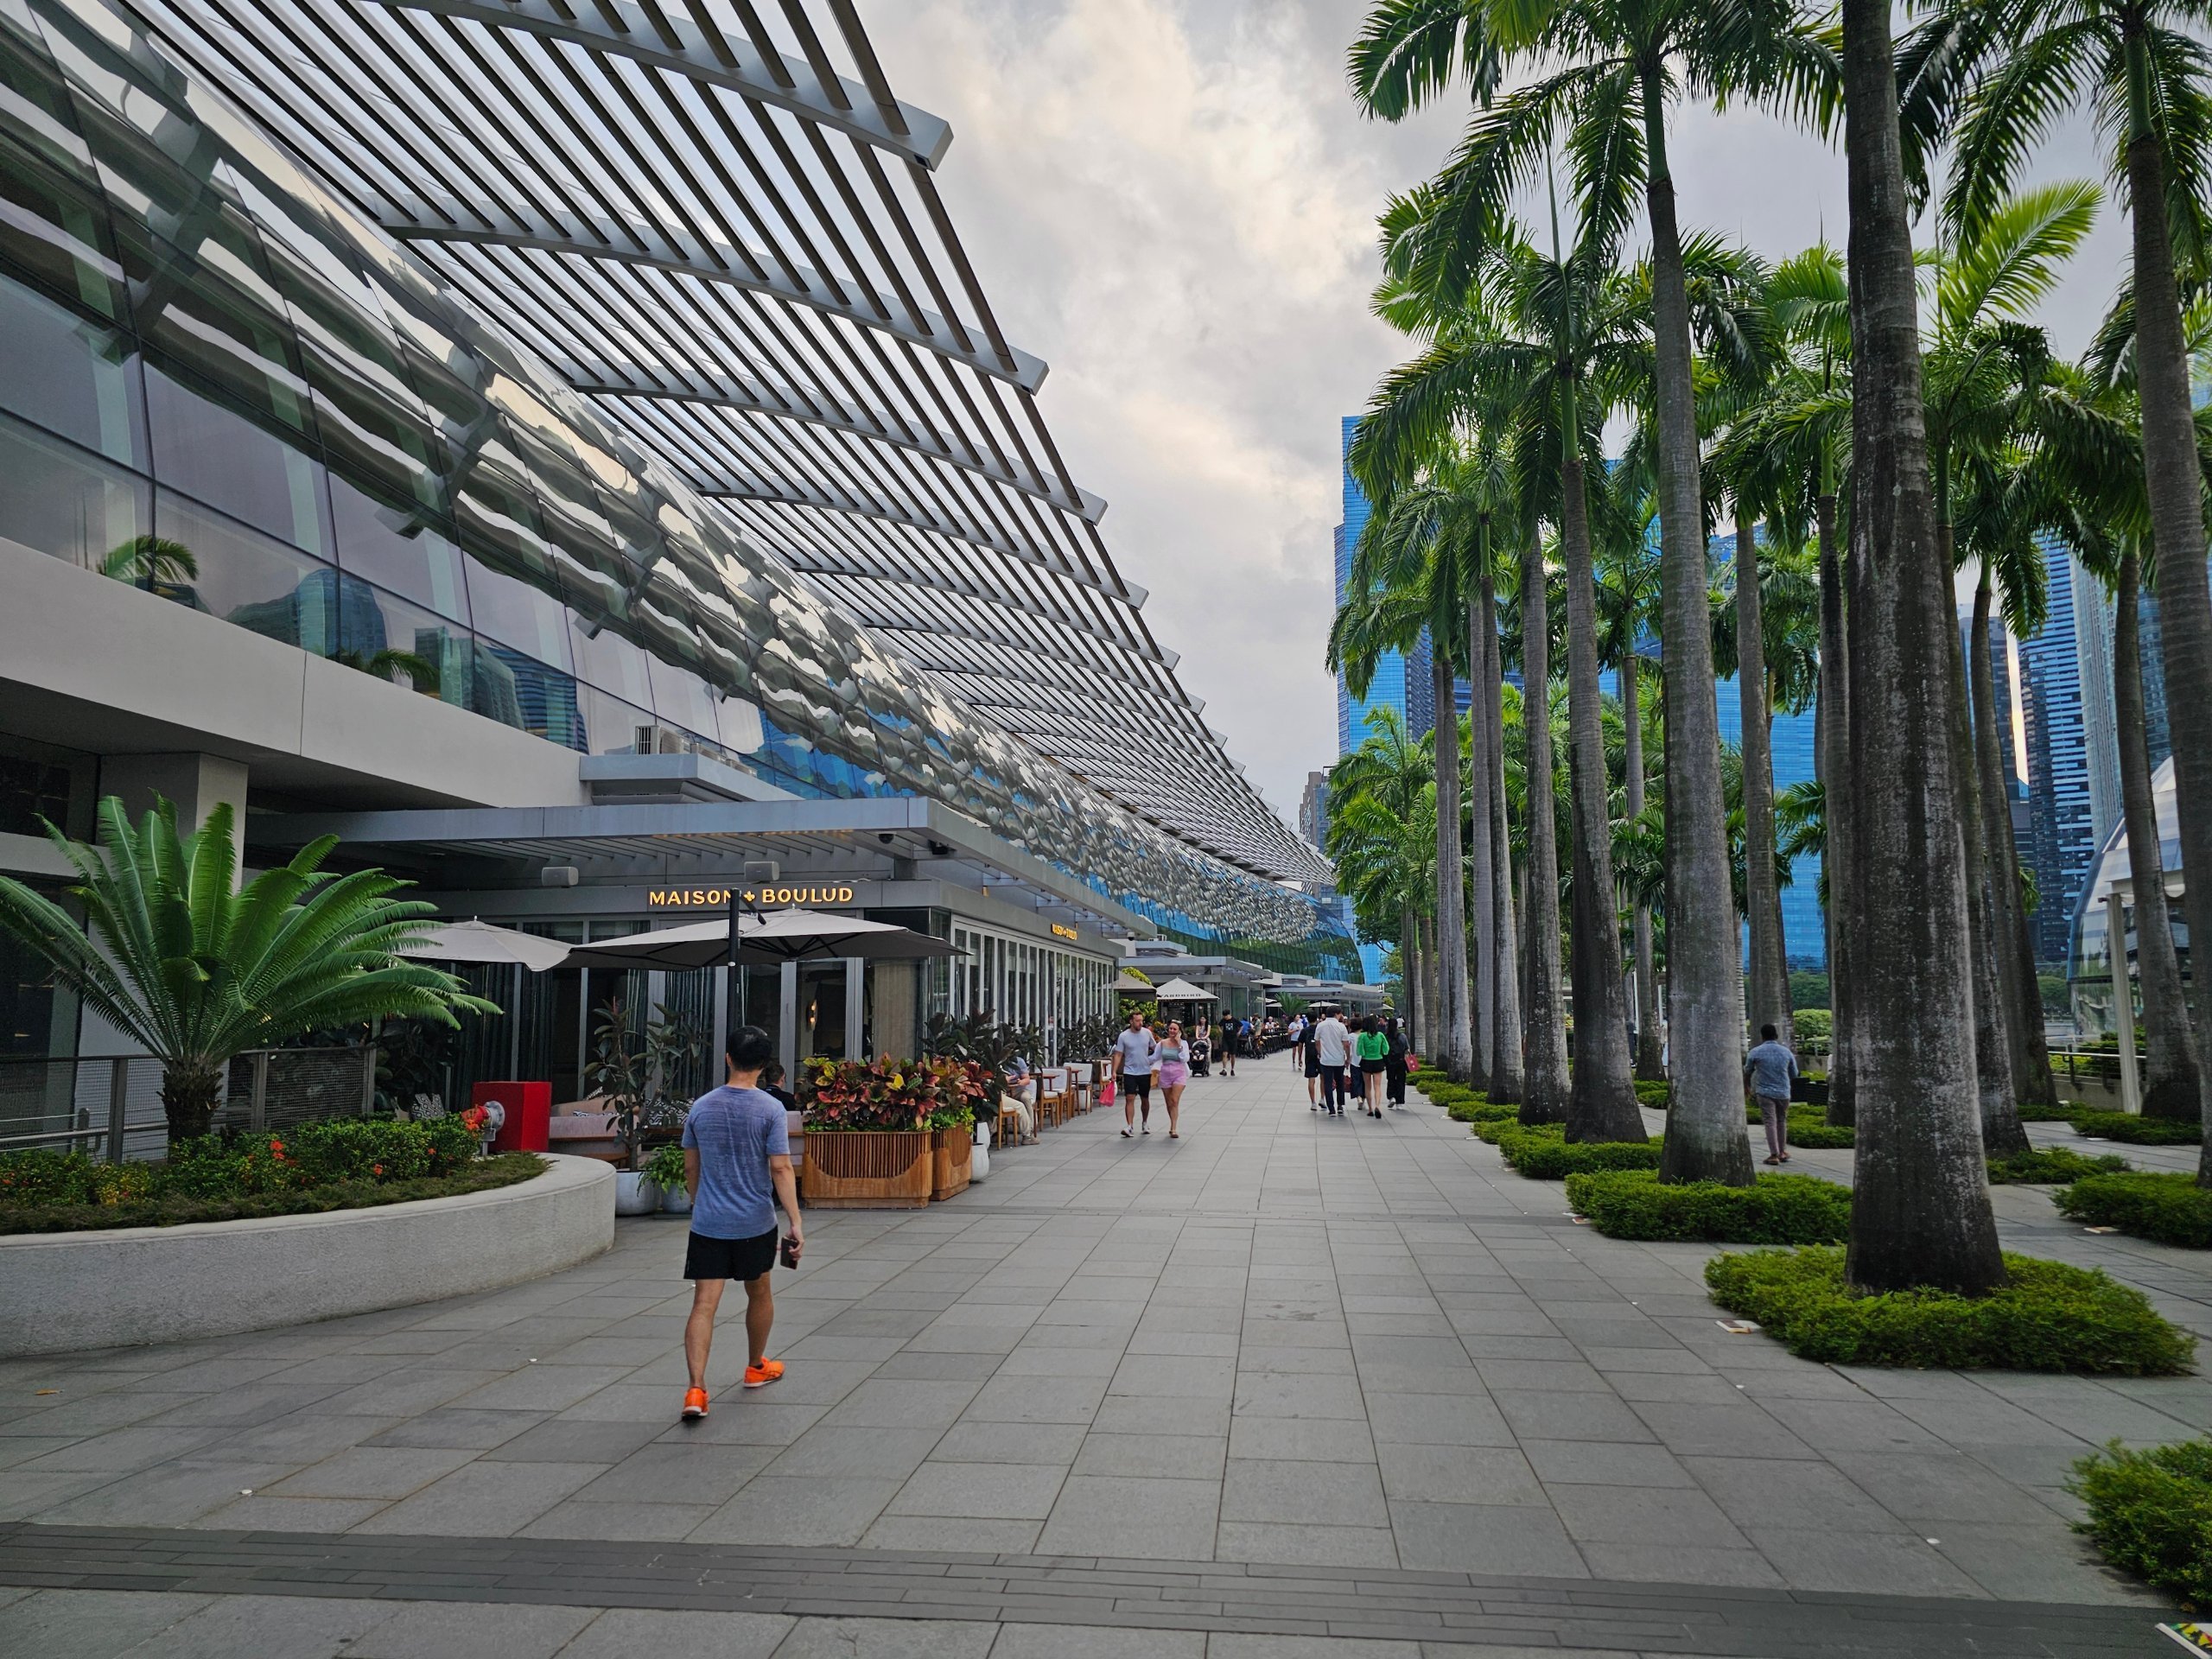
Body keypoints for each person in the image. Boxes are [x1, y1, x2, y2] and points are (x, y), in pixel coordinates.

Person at [679, 1025, 803, 1421]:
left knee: (704, 1304)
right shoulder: (771, 1109)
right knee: (760, 1292)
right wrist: (795, 1221)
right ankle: (755, 1366)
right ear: (764, 1066)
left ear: (728, 1059)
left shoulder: (701, 1107)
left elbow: (691, 1167)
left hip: (709, 1222)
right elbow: (781, 1168)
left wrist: (699, 1202)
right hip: (755, 1221)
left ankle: (696, 1390)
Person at [1744, 1022, 1801, 1166]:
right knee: (1782, 1120)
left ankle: (1773, 1154)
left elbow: (1748, 1070)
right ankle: (1782, 1152)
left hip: (1764, 1092)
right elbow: (1794, 1073)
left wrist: (1747, 1086)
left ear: (1762, 1036)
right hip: (1783, 1092)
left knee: (1770, 1121)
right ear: (1776, 1035)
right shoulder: (1786, 1052)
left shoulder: (1756, 1052)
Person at [1113, 1011, 1159, 1137]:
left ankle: (1145, 1122)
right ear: (1131, 1021)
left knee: (1145, 1098)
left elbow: (1156, 1048)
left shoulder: (1147, 1033)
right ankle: (1130, 1126)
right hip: (1130, 1071)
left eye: (1141, 1020)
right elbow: (1118, 1054)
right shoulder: (1124, 1036)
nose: (1140, 1023)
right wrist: (1114, 1071)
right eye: (1138, 1021)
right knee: (1129, 1098)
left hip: (1144, 1071)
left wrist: (1156, 1061)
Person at [1156, 1020, 1192, 1138]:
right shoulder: (1162, 1043)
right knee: (1169, 1102)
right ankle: (1172, 1122)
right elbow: (1155, 1057)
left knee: (1174, 1100)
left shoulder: (1183, 1044)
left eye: (1174, 1029)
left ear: (1179, 1031)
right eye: (1170, 1028)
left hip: (1179, 1073)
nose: (1172, 1031)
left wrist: (1179, 1045)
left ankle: (1174, 1128)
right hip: (1165, 1073)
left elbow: (1185, 1059)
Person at [1313, 1006, 1351, 1116]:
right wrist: (1348, 1058)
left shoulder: (1320, 1025)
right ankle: (1340, 1105)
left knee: (1327, 1083)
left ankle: (1331, 1108)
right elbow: (1346, 1044)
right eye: (1340, 1014)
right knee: (1340, 1083)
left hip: (1325, 1060)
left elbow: (1317, 1041)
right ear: (1336, 1014)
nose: (1341, 1016)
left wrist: (1320, 1053)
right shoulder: (1341, 1026)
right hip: (1339, 1059)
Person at [1357, 1015, 1389, 1116]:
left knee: (1367, 1086)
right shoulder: (1380, 1035)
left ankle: (1370, 1109)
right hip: (1378, 1061)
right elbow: (1386, 1050)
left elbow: (1359, 1051)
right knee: (1377, 1086)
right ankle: (1378, 1106)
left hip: (1366, 1061)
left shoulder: (1362, 1036)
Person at [1383, 1016, 1408, 1109]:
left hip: (1390, 1062)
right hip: (1401, 1061)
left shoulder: (1385, 1037)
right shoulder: (1402, 1036)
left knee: (1391, 1080)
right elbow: (1407, 1049)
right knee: (1401, 1081)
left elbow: (1384, 1050)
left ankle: (1392, 1097)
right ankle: (1399, 1102)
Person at [1303, 1013, 1324, 1109]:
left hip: (1309, 1056)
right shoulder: (1320, 1029)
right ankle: (1322, 1098)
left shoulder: (1305, 1031)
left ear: (1308, 1019)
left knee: (1311, 1079)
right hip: (1321, 1056)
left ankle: (1313, 1103)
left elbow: (1300, 1045)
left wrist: (1299, 1058)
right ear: (1317, 1019)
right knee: (1323, 1078)